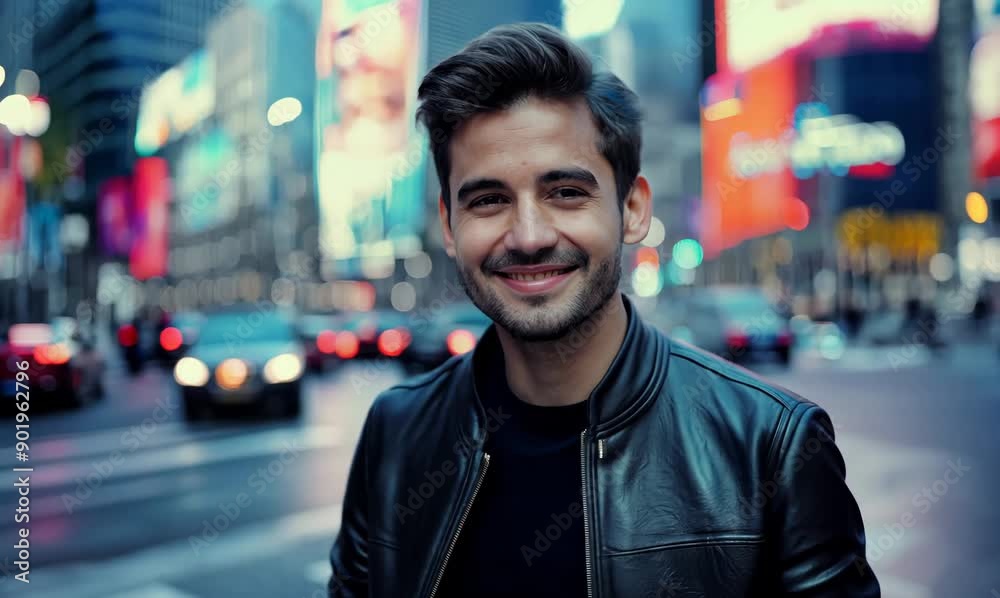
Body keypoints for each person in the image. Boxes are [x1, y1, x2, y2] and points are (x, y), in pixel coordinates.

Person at [328, 23, 879, 597]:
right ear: (449, 224)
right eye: (489, 200)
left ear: (633, 208)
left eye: (566, 192)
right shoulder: (396, 433)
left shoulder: (772, 447)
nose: (530, 236)